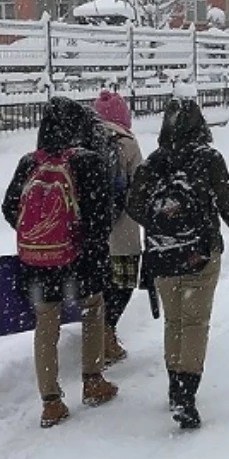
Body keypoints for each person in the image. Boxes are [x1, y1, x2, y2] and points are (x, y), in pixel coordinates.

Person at [126, 94, 229, 430]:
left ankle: (173, 387)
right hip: (200, 252)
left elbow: (133, 205)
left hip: (162, 254)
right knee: (195, 324)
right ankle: (186, 394)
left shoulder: (153, 162)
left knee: (174, 322)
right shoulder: (209, 158)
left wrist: (160, 223)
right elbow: (226, 199)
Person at [2, 96, 119, 428]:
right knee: (93, 310)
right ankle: (93, 381)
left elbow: (10, 207)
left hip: (37, 262)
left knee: (46, 325)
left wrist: (42, 234)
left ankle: (50, 402)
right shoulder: (88, 161)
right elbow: (101, 216)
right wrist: (81, 241)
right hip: (80, 260)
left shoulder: (29, 163)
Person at [91, 89, 144, 368]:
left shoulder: (83, 140)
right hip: (122, 230)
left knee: (96, 285)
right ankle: (107, 333)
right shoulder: (128, 142)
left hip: (91, 232)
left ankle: (96, 335)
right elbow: (141, 186)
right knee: (122, 284)